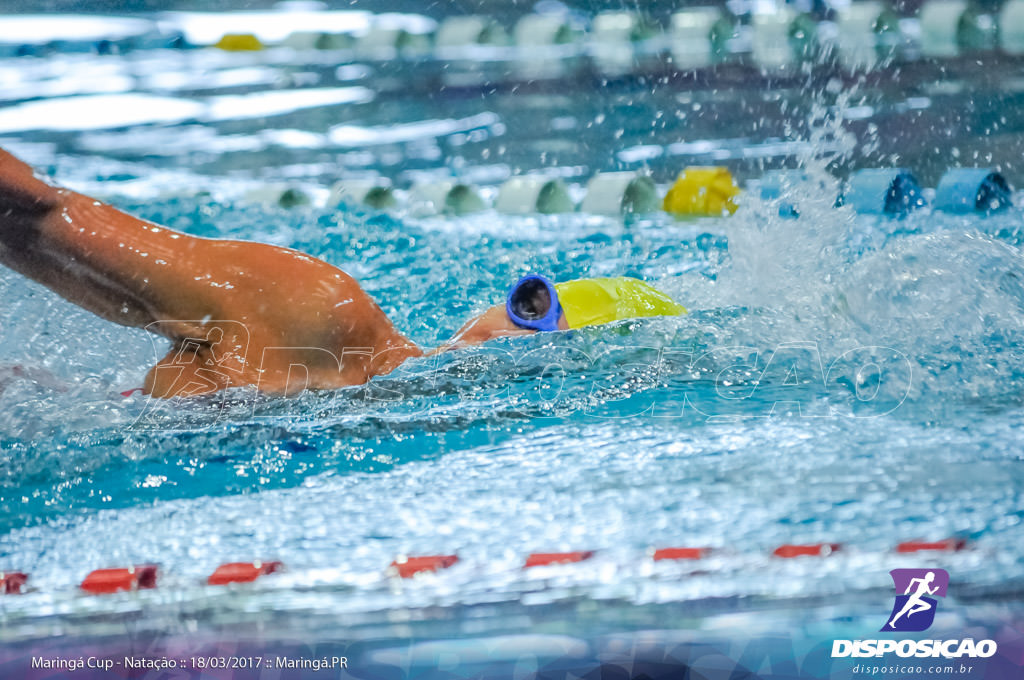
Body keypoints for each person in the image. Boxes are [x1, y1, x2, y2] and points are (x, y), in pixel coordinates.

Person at [0, 148, 684, 398]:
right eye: (530, 301)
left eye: (543, 314)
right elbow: (38, 217)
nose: (521, 321)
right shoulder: (316, 307)